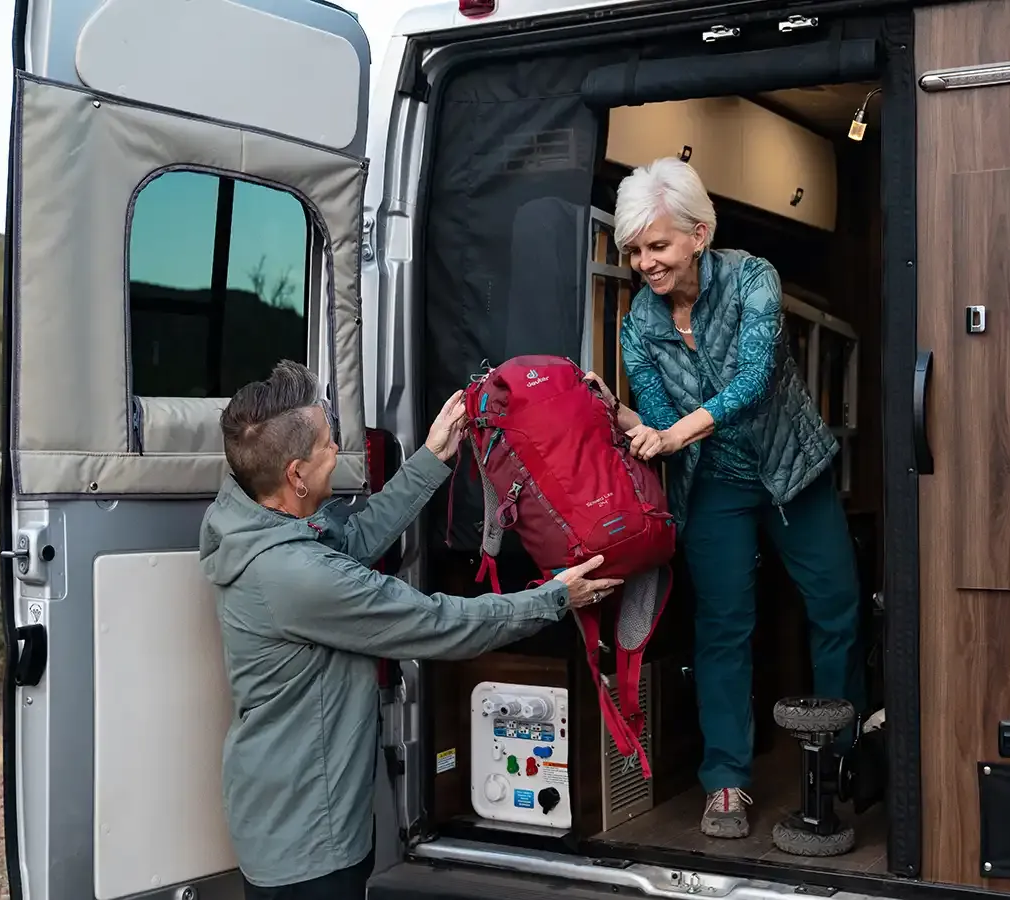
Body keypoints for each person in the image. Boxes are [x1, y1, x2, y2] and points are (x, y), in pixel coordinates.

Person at [199, 360, 620, 899]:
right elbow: (438, 622)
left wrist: (430, 460)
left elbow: (346, 548)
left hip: (280, 816)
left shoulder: (256, 527)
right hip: (309, 842)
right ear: (297, 476)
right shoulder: (297, 576)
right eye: (329, 445)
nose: (339, 454)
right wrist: (555, 598)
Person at [585, 157, 863, 841]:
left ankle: (841, 765)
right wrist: (624, 418)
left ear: (699, 234)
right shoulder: (638, 326)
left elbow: (753, 379)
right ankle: (726, 783)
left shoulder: (753, 280)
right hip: (715, 486)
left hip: (792, 470)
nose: (645, 263)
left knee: (837, 607)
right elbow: (653, 415)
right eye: (634, 251)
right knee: (722, 628)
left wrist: (672, 433)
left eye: (658, 245)